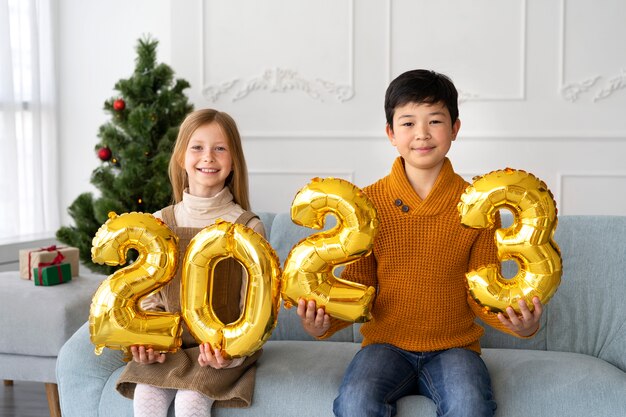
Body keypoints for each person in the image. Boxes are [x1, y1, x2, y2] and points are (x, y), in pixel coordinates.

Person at [297, 69, 543, 417]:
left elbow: (482, 292)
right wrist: (322, 325)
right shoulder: (367, 204)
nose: (422, 134)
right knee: (354, 403)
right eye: (408, 123)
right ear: (390, 133)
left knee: (470, 406)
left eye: (435, 121)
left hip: (455, 348)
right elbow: (358, 286)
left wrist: (521, 324)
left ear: (455, 129)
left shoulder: (478, 206)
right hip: (384, 345)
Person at [115, 109, 266, 417]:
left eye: (220, 148)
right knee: (145, 398)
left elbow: (253, 310)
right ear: (181, 158)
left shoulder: (247, 227)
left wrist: (230, 354)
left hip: (220, 352)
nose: (208, 157)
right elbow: (150, 299)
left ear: (234, 160)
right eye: (197, 147)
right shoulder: (159, 222)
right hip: (170, 349)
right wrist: (149, 343)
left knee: (190, 402)